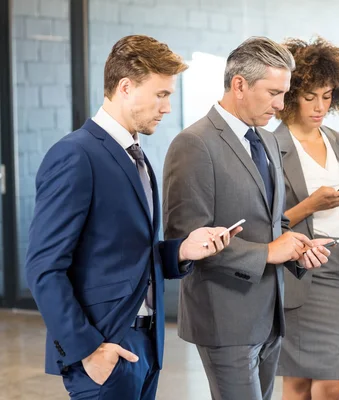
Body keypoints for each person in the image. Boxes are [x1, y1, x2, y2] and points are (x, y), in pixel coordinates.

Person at [25, 35, 238, 399]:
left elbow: (124, 250)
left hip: (145, 344)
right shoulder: (75, 155)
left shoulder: (135, 155)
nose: (168, 107)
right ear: (126, 87)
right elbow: (43, 268)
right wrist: (89, 350)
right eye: (161, 94)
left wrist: (182, 251)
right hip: (105, 346)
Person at [162, 36, 331, 400]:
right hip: (225, 317)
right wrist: (269, 253)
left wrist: (296, 248)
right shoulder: (194, 144)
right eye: (273, 92)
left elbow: (272, 223)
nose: (281, 104)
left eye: (284, 93)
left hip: (269, 316)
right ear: (239, 84)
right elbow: (188, 241)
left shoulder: (267, 141)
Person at [272, 37, 339, 400]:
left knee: (331, 385)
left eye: (328, 96)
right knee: (297, 383)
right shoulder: (272, 146)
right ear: (291, 93)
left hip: (337, 269)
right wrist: (310, 205)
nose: (320, 107)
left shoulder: (336, 139)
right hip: (298, 269)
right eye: (310, 96)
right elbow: (265, 222)